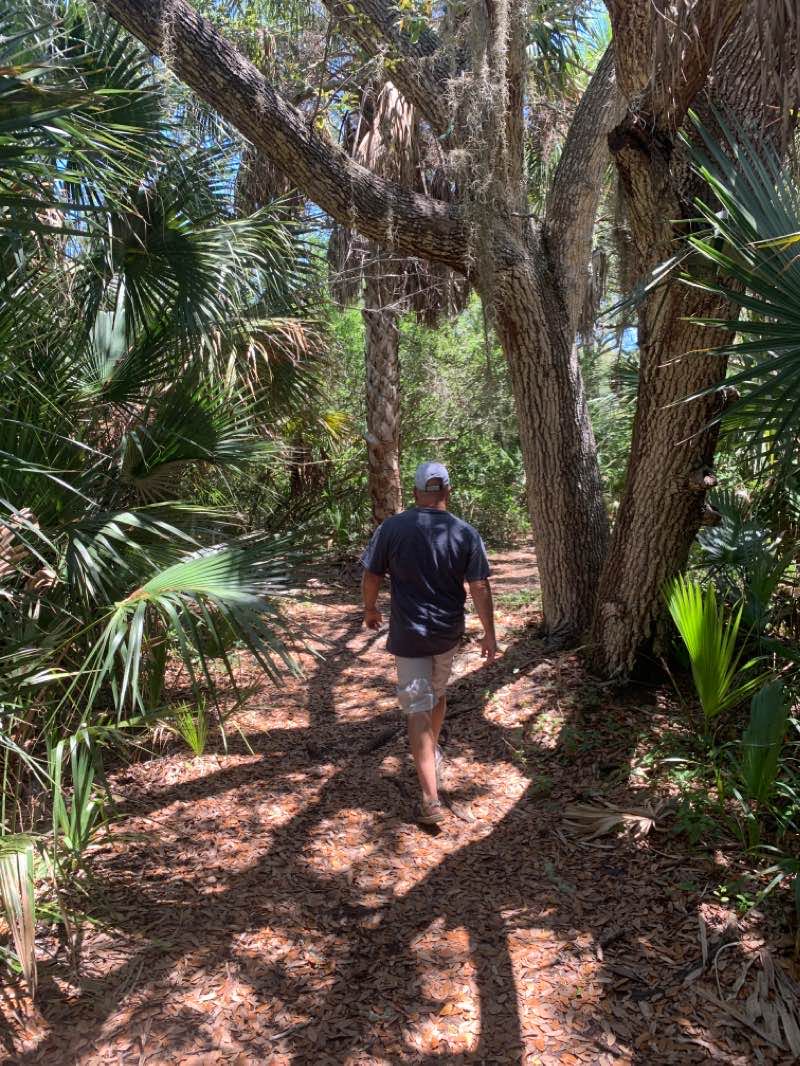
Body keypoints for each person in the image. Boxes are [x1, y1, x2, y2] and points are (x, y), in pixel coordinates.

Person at [361, 461, 497, 826]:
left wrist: (370, 609)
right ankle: (430, 760)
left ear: (416, 492)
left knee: (419, 707)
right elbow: (479, 586)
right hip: (447, 633)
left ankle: (429, 798)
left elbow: (372, 574)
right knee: (434, 696)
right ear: (447, 491)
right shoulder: (465, 532)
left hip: (410, 635)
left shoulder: (392, 528)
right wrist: (490, 634)